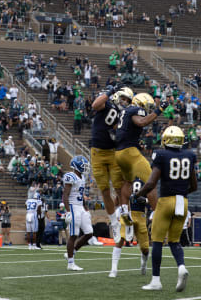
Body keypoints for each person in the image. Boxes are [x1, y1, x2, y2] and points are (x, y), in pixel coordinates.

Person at [134, 126, 197, 292]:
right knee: (175, 241)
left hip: (166, 201)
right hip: (182, 202)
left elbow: (150, 183)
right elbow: (194, 185)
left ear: (166, 140)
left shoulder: (161, 154)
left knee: (157, 241)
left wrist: (138, 194)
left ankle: (156, 280)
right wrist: (181, 192)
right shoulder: (190, 155)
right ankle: (181, 267)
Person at [115, 92, 163, 224]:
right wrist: (159, 110)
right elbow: (142, 122)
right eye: (146, 106)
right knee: (151, 182)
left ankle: (124, 210)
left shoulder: (125, 111)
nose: (147, 110)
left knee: (128, 182)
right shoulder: (136, 109)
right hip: (130, 153)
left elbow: (124, 131)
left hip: (119, 153)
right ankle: (156, 213)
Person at [91, 85, 131, 242]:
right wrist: (108, 92)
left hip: (113, 152)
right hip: (97, 152)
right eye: (123, 98)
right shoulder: (107, 103)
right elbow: (95, 105)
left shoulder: (123, 113)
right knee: (105, 191)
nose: (124, 102)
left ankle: (125, 219)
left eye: (127, 100)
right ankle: (114, 223)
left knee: (119, 189)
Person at [110, 177, 149, 278]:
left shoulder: (146, 178)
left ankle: (143, 264)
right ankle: (113, 269)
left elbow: (152, 199)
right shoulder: (127, 179)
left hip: (140, 215)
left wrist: (145, 200)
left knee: (145, 248)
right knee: (120, 239)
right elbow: (117, 200)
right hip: (127, 213)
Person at [62, 156, 93, 271]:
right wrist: (68, 211)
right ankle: (70, 263)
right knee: (74, 235)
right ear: (77, 166)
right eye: (84, 166)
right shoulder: (71, 176)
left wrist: (86, 208)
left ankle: (72, 252)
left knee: (89, 233)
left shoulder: (82, 177)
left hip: (80, 207)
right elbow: (65, 195)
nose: (86, 168)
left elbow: (81, 195)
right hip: (73, 206)